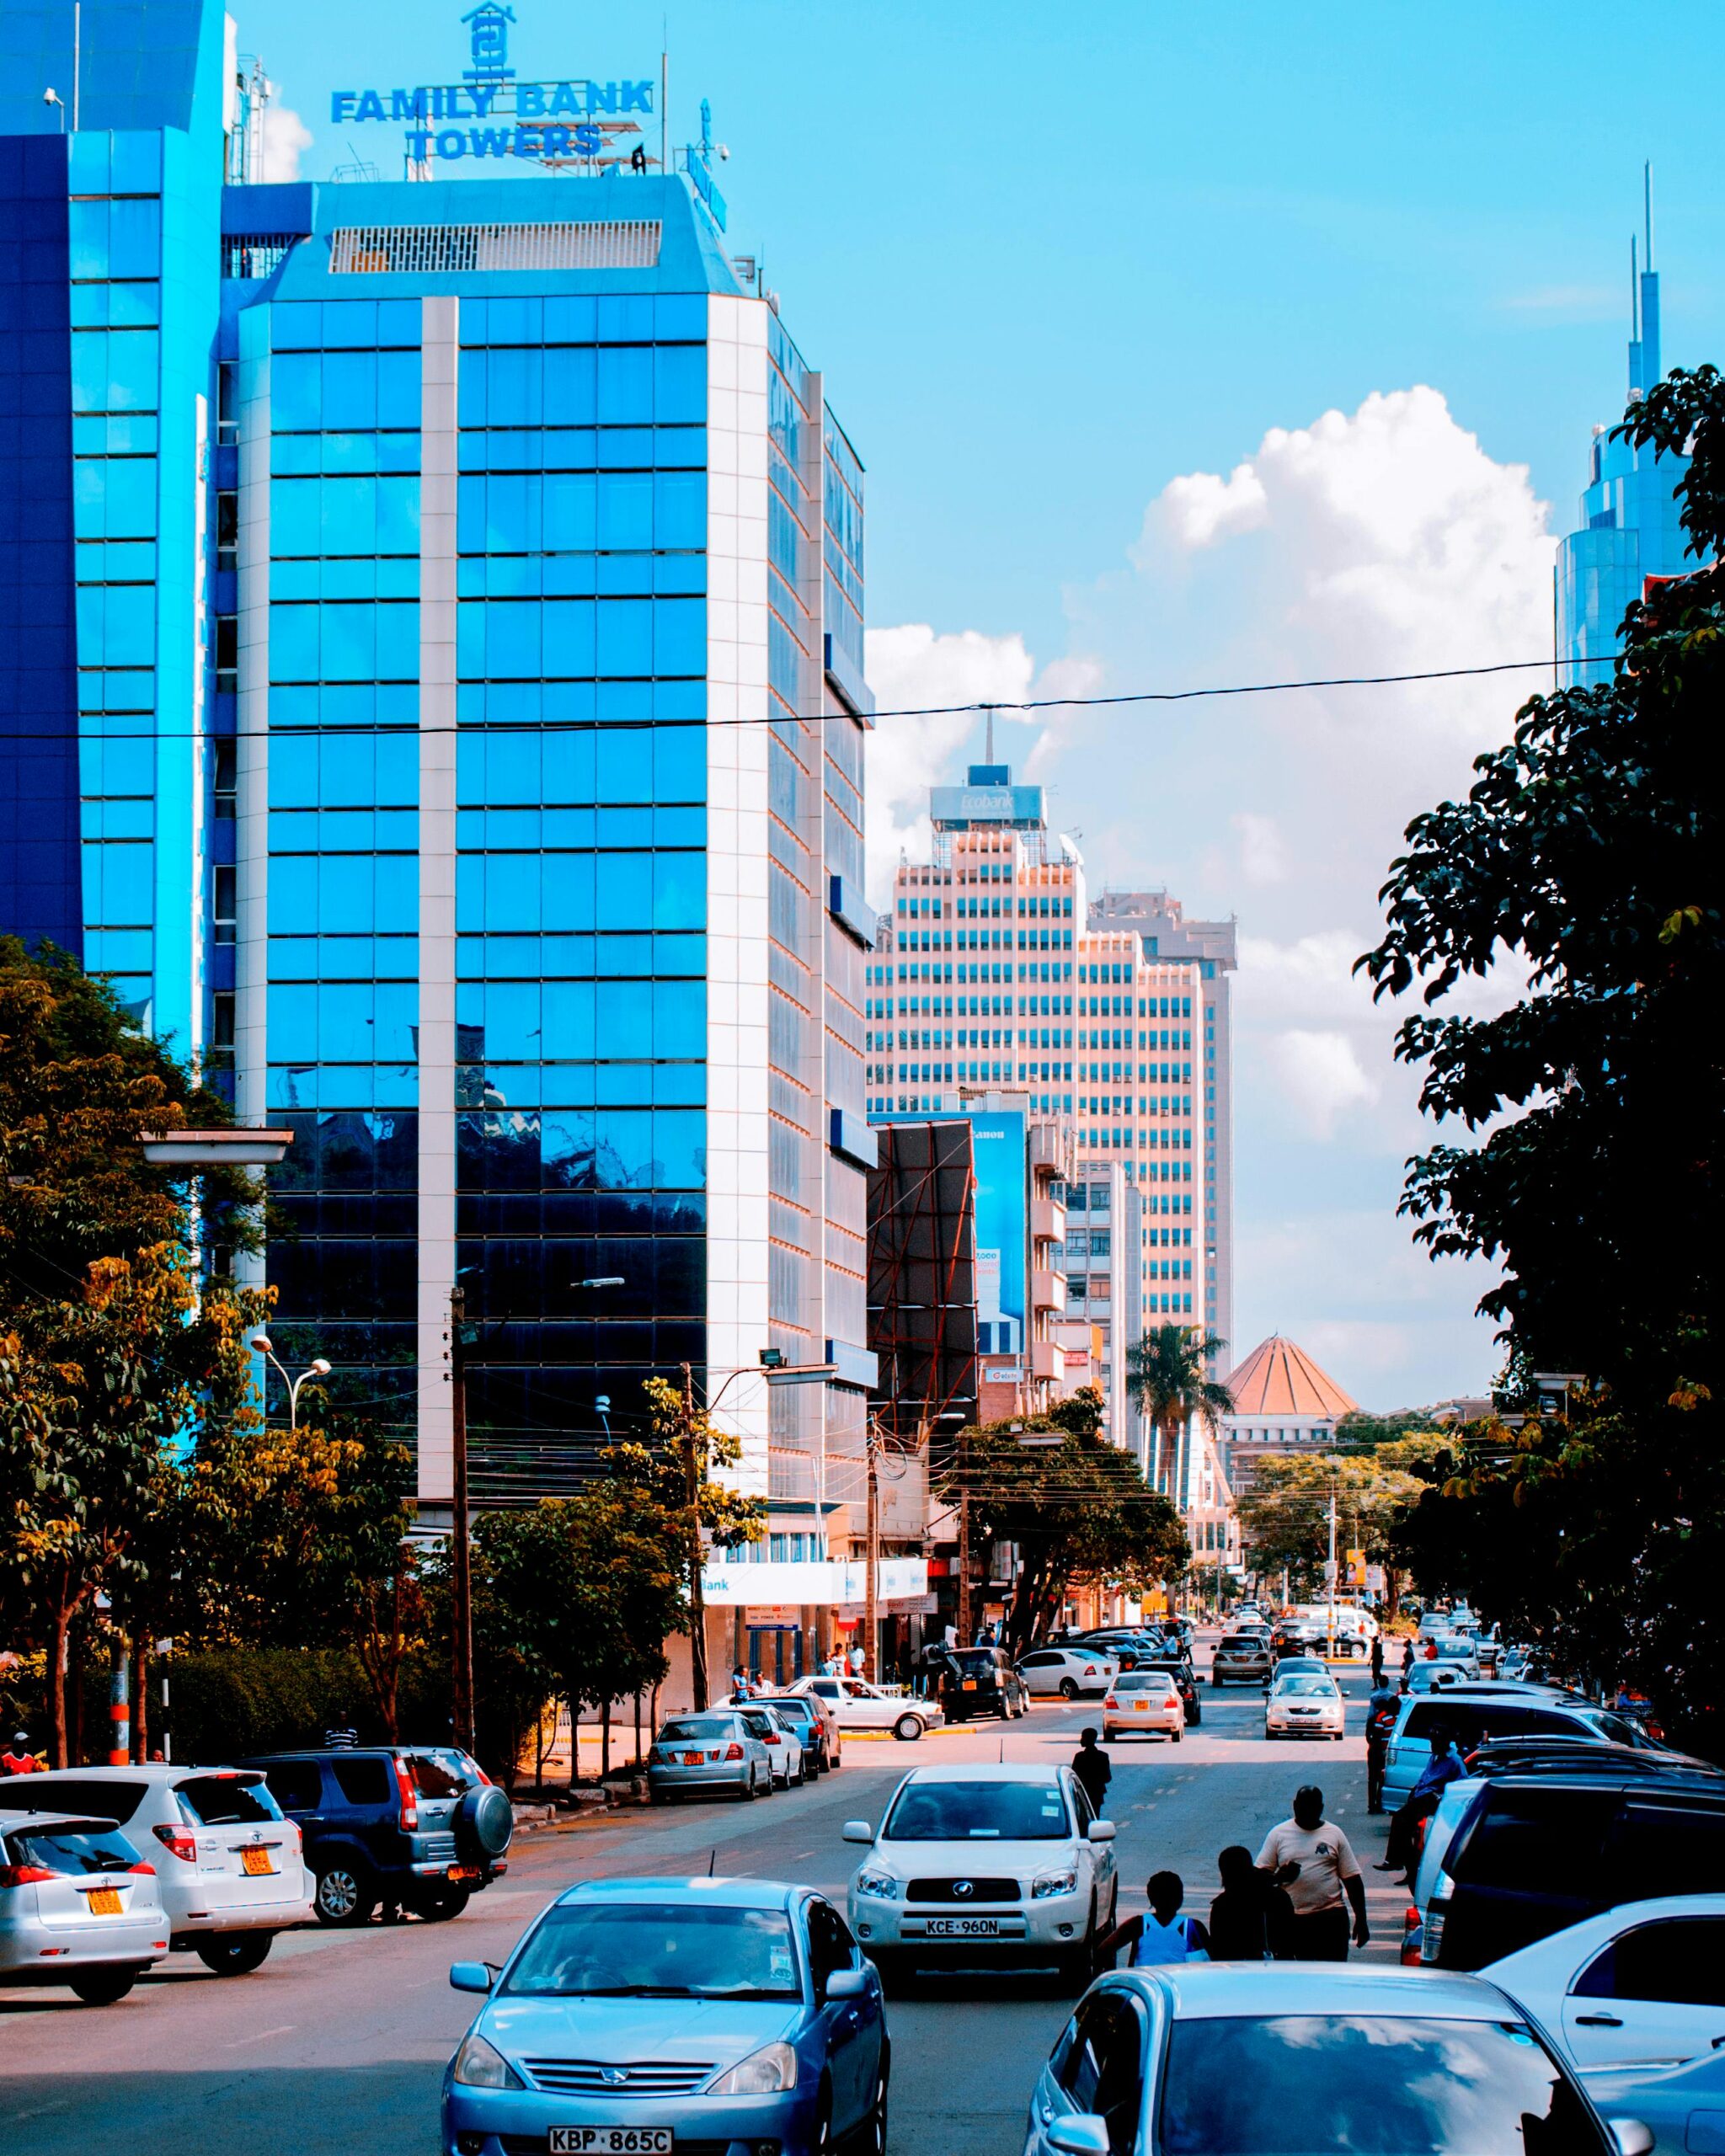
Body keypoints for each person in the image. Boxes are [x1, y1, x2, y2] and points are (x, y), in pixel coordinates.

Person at [1256, 1785, 1368, 1961]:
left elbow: (1352, 1879)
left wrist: (1362, 1921)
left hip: (1331, 1918)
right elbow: (1257, 1878)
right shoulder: (1278, 1835)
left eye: (1313, 1808)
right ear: (1294, 1806)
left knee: (1332, 1973)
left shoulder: (1334, 1834)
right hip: (1293, 1920)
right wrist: (1279, 1877)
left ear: (1321, 1808)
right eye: (1303, 1807)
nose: (1307, 1812)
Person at [1377, 1728, 1465, 1883]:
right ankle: (1411, 1873)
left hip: (1434, 1799)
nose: (1433, 1746)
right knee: (1409, 1836)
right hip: (1421, 1795)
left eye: (1436, 1742)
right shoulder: (1434, 1758)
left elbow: (1462, 1784)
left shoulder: (1454, 1761)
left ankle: (1394, 1860)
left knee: (1400, 1818)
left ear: (1444, 1743)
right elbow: (1425, 1778)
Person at [1100, 1871, 1210, 1966]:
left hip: (1145, 1985)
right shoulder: (1194, 1927)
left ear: (1151, 1899)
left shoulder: (1137, 1924)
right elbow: (1215, 1960)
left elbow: (1104, 1949)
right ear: (1180, 1899)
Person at [1207, 1844, 1294, 1961]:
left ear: (1223, 1873)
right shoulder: (1278, 1896)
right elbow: (1290, 1935)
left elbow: (1219, 1948)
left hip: (1240, 1969)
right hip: (1278, 1965)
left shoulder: (1222, 1904)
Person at [1365, 1671, 1402, 1813]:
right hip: (1381, 1750)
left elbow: (1370, 1716)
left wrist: (1369, 1738)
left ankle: (1373, 1805)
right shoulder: (1391, 1700)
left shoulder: (1374, 1698)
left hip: (1377, 1747)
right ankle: (1377, 1804)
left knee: (1373, 1779)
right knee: (1379, 1778)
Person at [1071, 1727, 1113, 1816]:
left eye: (1083, 1737)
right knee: (1095, 1815)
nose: (1081, 1740)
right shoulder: (1103, 1756)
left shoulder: (1079, 1757)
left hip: (1083, 1792)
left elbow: (1073, 1777)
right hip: (1097, 1793)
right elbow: (1107, 1778)